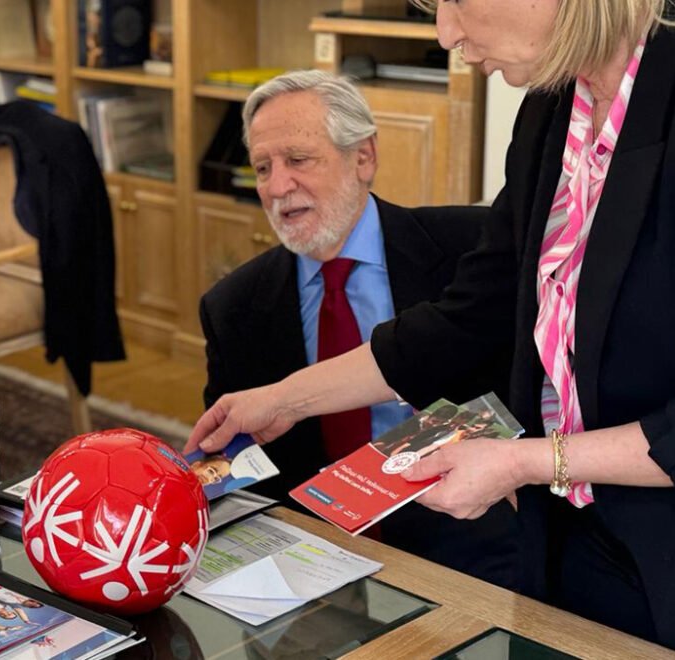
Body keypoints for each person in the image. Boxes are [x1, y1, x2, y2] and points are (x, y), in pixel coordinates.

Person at [187, 1, 675, 655]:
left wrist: (524, 462)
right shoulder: (555, 107)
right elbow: (469, 316)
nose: (445, 33)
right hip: (571, 534)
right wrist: (283, 399)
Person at [199, 69, 517, 587]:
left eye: (299, 160)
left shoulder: (471, 247)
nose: (278, 186)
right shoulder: (232, 305)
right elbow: (236, 461)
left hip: (468, 524)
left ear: (363, 157)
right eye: (262, 168)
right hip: (317, 549)